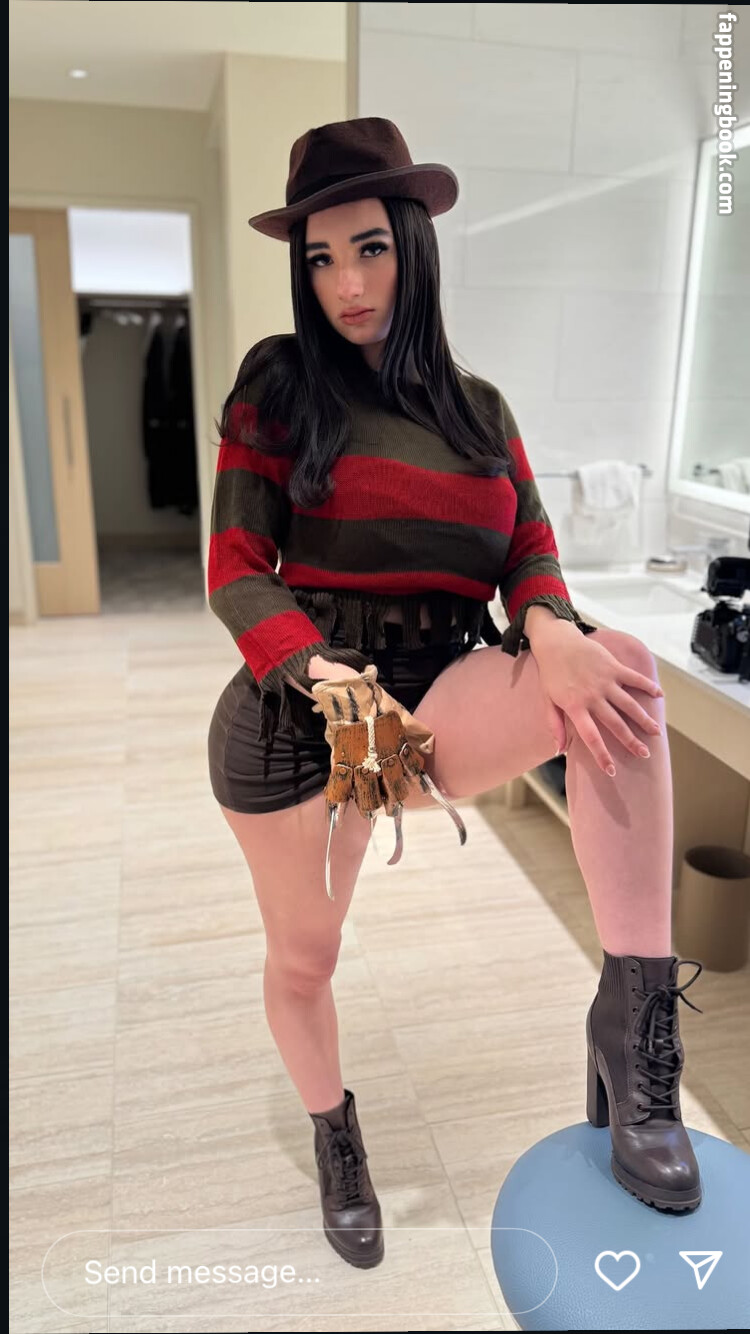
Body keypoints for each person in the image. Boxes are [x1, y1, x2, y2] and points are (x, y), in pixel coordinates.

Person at [206, 118, 704, 1269]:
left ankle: (636, 1034)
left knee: (620, 671)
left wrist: (552, 626)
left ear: (414, 245)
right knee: (306, 958)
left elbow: (529, 546)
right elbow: (235, 566)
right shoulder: (281, 382)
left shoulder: (480, 410)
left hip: (439, 691)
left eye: (370, 249)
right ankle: (336, 1132)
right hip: (307, 712)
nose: (347, 283)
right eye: (321, 258)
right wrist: (321, 674)